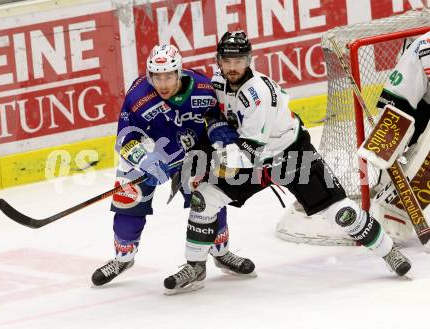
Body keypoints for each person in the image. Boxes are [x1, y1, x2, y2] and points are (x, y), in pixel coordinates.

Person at [163, 31, 412, 294]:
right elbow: (208, 108)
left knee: (341, 212)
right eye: (227, 61)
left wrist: (202, 162)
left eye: (238, 61)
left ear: (249, 60)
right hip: (255, 161)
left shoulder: (257, 94)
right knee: (204, 199)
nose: (232, 67)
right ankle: (195, 267)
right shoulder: (216, 82)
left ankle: (388, 252)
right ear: (219, 61)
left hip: (291, 156)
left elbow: (246, 155)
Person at [91, 44, 255, 286]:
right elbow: (124, 138)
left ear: (179, 73)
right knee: (129, 198)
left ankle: (220, 252)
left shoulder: (202, 87)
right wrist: (143, 158)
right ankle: (123, 257)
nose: (163, 83)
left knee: (209, 200)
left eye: (168, 76)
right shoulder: (138, 97)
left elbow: (215, 116)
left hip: (192, 155)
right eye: (157, 77)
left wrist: (218, 129)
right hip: (150, 155)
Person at [370, 31, 430, 241]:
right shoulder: (425, 47)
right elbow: (398, 98)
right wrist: (387, 139)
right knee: (423, 163)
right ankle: (393, 210)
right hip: (423, 110)